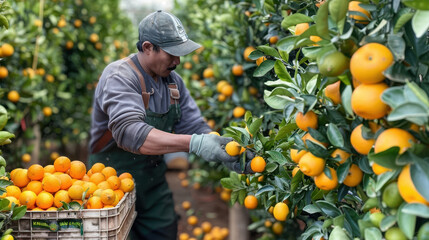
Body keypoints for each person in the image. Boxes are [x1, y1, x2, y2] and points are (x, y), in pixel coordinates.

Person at [88, 10, 249, 240]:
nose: (178, 61)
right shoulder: (120, 75)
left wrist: (227, 152)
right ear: (147, 47)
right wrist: (194, 143)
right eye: (172, 53)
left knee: (165, 232)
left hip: (153, 186)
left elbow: (194, 125)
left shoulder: (174, 83)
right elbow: (130, 132)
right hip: (107, 187)